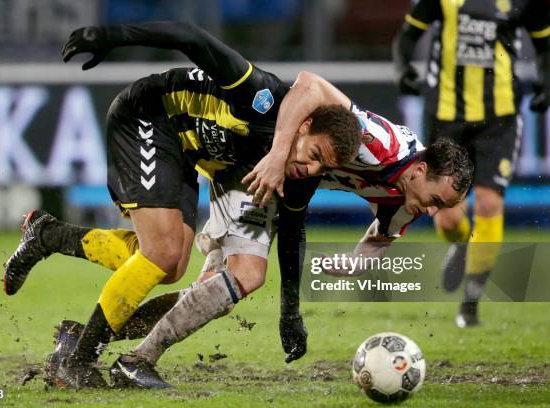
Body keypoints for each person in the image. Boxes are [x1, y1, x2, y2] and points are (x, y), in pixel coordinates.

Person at [39, 70, 473, 386]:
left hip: (279, 177)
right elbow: (310, 85)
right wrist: (281, 149)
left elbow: (374, 237)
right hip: (257, 157)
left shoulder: (409, 201)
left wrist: (353, 265)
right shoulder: (378, 143)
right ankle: (136, 359)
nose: (434, 213)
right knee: (234, 273)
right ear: (418, 170)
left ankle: (84, 335)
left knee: (208, 288)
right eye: (436, 201)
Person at [3, 21, 361, 389]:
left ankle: (47, 235)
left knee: (169, 265)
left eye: (324, 167)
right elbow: (192, 38)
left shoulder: (302, 172)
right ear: (302, 127)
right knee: (161, 253)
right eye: (315, 154)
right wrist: (114, 36)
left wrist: (289, 313)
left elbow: (291, 231)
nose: (311, 168)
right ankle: (77, 361)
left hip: (187, 153)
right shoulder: (261, 96)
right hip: (148, 115)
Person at [392, 0, 549, 327]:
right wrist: (403, 68)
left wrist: (546, 81)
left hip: (500, 119)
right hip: (446, 119)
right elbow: (407, 36)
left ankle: (471, 301)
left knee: (489, 202)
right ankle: (464, 245)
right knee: (448, 221)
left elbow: (544, 40)